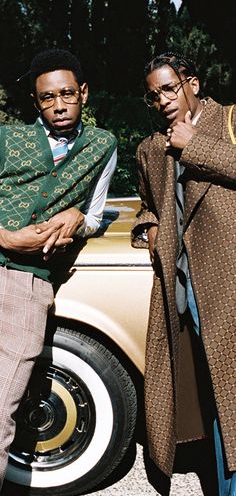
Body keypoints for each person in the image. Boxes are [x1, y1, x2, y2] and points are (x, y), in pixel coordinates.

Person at [0, 48, 117, 487]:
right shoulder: (6, 140)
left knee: (1, 405)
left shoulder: (103, 145)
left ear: (83, 93)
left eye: (67, 93)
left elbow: (95, 212)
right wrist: (6, 237)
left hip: (26, 282)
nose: (59, 104)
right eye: (47, 98)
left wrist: (76, 218)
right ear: (36, 102)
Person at [131, 52, 236, 495]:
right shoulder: (150, 148)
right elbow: (147, 206)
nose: (161, 101)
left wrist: (194, 145)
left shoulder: (230, 120)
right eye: (152, 96)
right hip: (186, 291)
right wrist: (148, 227)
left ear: (191, 82)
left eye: (168, 89)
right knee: (215, 398)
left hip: (230, 281)